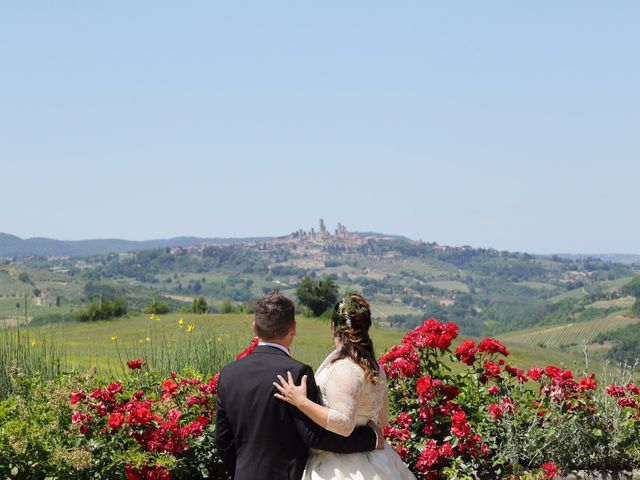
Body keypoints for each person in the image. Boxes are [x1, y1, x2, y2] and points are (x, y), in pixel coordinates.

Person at [215, 291, 383, 480]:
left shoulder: (228, 373)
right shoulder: (297, 373)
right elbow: (315, 437)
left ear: (254, 328)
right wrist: (370, 438)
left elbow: (222, 439)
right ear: (293, 328)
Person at [274, 293, 416, 480]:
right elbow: (382, 421)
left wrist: (300, 401)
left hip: (339, 465)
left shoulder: (344, 369)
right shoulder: (375, 368)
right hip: (377, 459)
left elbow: (344, 424)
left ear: (334, 327)